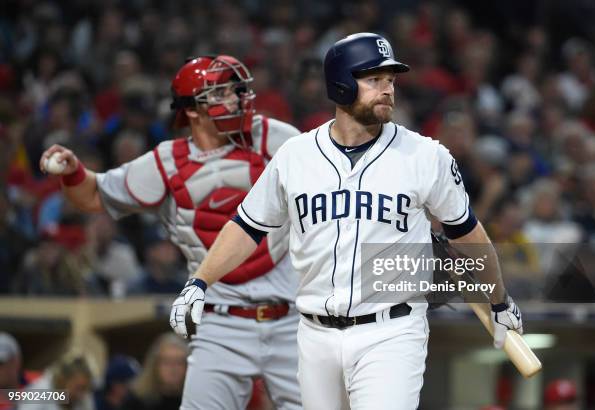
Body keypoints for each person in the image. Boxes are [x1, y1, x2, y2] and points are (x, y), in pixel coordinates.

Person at [170, 33, 524, 409]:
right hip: (312, 332)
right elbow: (247, 227)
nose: (387, 89)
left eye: (390, 80)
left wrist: (499, 300)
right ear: (340, 84)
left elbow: (466, 232)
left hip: (392, 330)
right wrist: (199, 282)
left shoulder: (425, 156)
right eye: (373, 79)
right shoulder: (296, 155)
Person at [39, 55, 302, 409]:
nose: (236, 99)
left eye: (237, 90)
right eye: (221, 93)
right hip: (218, 322)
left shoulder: (276, 138)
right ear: (193, 110)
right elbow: (94, 195)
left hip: (290, 318)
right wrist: (72, 173)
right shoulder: (165, 162)